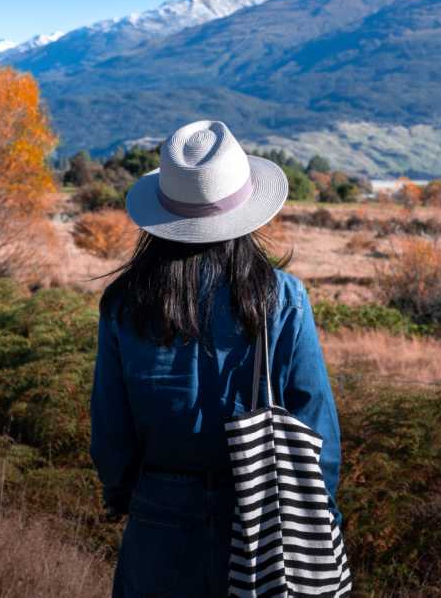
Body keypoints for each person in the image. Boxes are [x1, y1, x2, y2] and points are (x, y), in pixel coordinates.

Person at [90, 119, 343, 597]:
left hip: (156, 519)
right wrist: (320, 514)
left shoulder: (124, 304)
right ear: (245, 211)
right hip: (261, 521)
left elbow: (110, 433)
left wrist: (125, 495)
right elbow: (316, 428)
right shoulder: (281, 298)